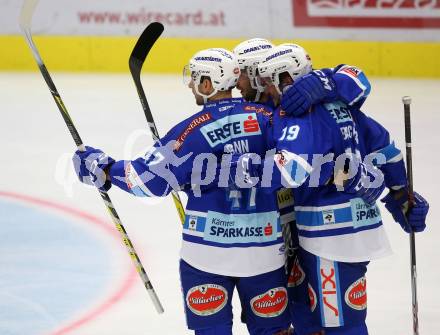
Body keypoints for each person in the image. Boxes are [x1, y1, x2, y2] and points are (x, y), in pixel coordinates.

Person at [72, 48, 291, 335]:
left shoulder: (190, 131)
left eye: (195, 78)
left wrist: (102, 169)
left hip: (206, 255)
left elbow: (146, 180)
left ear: (208, 84)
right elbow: (301, 164)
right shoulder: (271, 119)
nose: (190, 84)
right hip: (264, 252)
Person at [256, 43, 429, 335]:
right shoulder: (344, 107)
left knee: (341, 326)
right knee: (341, 318)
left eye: (269, 82)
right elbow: (387, 151)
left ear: (285, 79)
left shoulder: (301, 118)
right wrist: (401, 193)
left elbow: (295, 172)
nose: (268, 92)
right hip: (363, 226)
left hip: (329, 237)